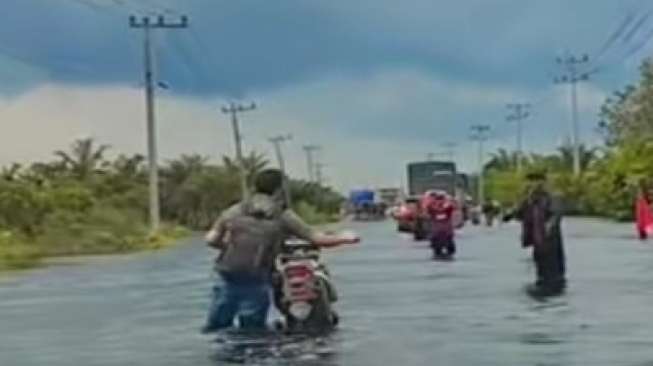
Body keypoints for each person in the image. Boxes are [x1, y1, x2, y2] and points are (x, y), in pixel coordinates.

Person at [202, 169, 359, 334]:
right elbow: (316, 238)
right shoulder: (282, 215)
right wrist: (346, 237)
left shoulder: (234, 211)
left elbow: (211, 239)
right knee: (251, 331)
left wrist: (228, 246)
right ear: (279, 190)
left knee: (217, 326)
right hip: (256, 277)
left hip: (227, 274)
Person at [503, 171, 566, 296]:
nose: (533, 184)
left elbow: (556, 215)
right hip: (538, 243)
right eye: (530, 181)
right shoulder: (529, 200)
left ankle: (552, 290)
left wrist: (549, 227)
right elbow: (517, 213)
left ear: (543, 182)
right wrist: (508, 215)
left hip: (551, 243)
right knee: (540, 271)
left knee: (553, 274)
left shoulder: (551, 198)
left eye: (536, 181)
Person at [425, 190, 456, 258]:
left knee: (450, 243)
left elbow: (452, 207)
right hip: (436, 230)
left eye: (441, 198)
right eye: (438, 199)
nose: (440, 201)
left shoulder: (447, 206)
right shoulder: (432, 207)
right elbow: (428, 209)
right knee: (435, 241)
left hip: (446, 229)